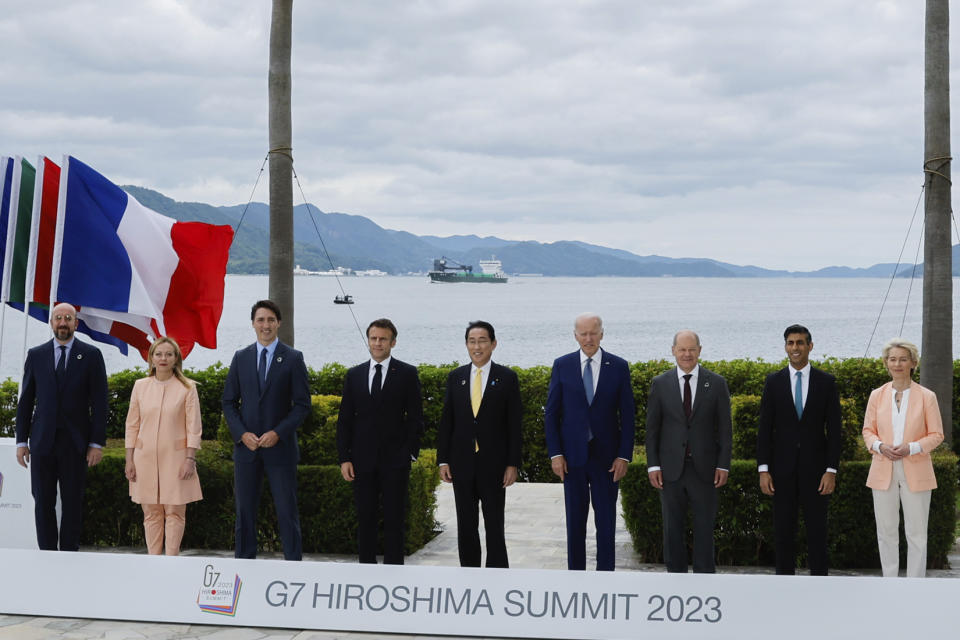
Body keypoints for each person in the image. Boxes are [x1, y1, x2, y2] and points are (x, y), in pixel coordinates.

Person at [544, 313, 635, 571]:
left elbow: (628, 416)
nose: (588, 338)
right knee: (575, 524)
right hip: (572, 459)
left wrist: (624, 456)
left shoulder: (618, 366)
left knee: (606, 525)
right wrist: (556, 454)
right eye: (583, 333)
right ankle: (576, 577)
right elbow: (551, 414)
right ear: (575, 336)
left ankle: (605, 578)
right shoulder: (562, 365)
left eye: (593, 332)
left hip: (608, 460)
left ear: (602, 333)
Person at [14, 302, 108, 551]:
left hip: (76, 444)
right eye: (58, 318)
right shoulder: (36, 355)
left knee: (72, 501)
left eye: (68, 318)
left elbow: (100, 404)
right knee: (43, 501)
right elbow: (26, 401)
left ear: (76, 323)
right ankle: (47, 553)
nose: (63, 322)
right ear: (52, 323)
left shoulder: (91, 355)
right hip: (42, 442)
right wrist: (21, 441)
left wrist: (96, 443)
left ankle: (69, 552)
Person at [222, 300, 310, 560]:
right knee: (245, 513)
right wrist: (241, 434)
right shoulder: (241, 357)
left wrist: (278, 432)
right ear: (253, 324)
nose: (266, 325)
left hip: (280, 450)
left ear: (279, 323)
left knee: (286, 512)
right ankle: (244, 565)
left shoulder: (293, 358)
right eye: (260, 320)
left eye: (271, 320)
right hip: (246, 450)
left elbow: (302, 405)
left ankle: (293, 566)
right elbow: (228, 402)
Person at [336, 318, 424, 564]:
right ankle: (366, 570)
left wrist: (409, 453)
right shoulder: (354, 375)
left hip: (395, 461)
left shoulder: (407, 373)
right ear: (368, 340)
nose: (377, 343)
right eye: (373, 338)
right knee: (365, 519)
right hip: (362, 462)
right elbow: (345, 420)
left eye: (383, 339)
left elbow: (416, 418)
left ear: (393, 342)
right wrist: (345, 458)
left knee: (395, 519)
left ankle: (394, 571)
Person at [757, 324, 841, 575]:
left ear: (810, 346)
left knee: (817, 531)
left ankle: (820, 584)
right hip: (780, 471)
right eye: (791, 343)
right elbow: (765, 429)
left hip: (817, 473)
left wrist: (831, 470)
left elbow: (835, 431)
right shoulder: (773, 382)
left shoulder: (826, 382)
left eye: (800, 343)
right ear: (785, 347)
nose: (795, 348)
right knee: (783, 532)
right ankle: (784, 585)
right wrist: (763, 469)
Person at [437, 320, 522, 568]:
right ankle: (469, 575)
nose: (477, 346)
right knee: (466, 524)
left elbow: (514, 425)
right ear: (466, 344)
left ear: (493, 344)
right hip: (461, 464)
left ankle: (498, 574)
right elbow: (447, 421)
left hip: (494, 465)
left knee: (495, 524)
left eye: (482, 340)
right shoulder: (456, 378)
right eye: (472, 341)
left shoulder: (507, 378)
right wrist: (443, 459)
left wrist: (512, 464)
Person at [646, 330, 732, 573]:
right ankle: (676, 581)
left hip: (705, 471)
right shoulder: (660, 384)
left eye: (691, 349)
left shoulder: (716, 383)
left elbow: (725, 430)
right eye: (682, 349)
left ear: (699, 350)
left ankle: (705, 582)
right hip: (670, 471)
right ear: (673, 350)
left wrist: (723, 464)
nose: (686, 354)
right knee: (672, 530)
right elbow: (652, 429)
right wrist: (653, 465)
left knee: (705, 530)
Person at [862, 338, 944, 578]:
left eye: (903, 359)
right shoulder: (876, 395)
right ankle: (890, 582)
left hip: (916, 470)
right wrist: (879, 445)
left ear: (913, 363)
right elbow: (868, 430)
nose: (897, 364)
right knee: (885, 530)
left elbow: (937, 434)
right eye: (893, 359)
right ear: (886, 363)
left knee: (916, 532)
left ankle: (915, 585)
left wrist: (913, 447)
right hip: (882, 470)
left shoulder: (927, 396)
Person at [124, 337, 203, 555]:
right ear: (151, 358)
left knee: (175, 512)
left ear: (176, 358)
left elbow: (193, 427)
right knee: (151, 513)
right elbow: (132, 425)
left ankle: (171, 559)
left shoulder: (187, 388)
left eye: (168, 354)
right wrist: (129, 460)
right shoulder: (140, 387)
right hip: (144, 459)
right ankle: (154, 560)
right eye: (158, 354)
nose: (163, 358)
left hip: (177, 460)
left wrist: (190, 459)